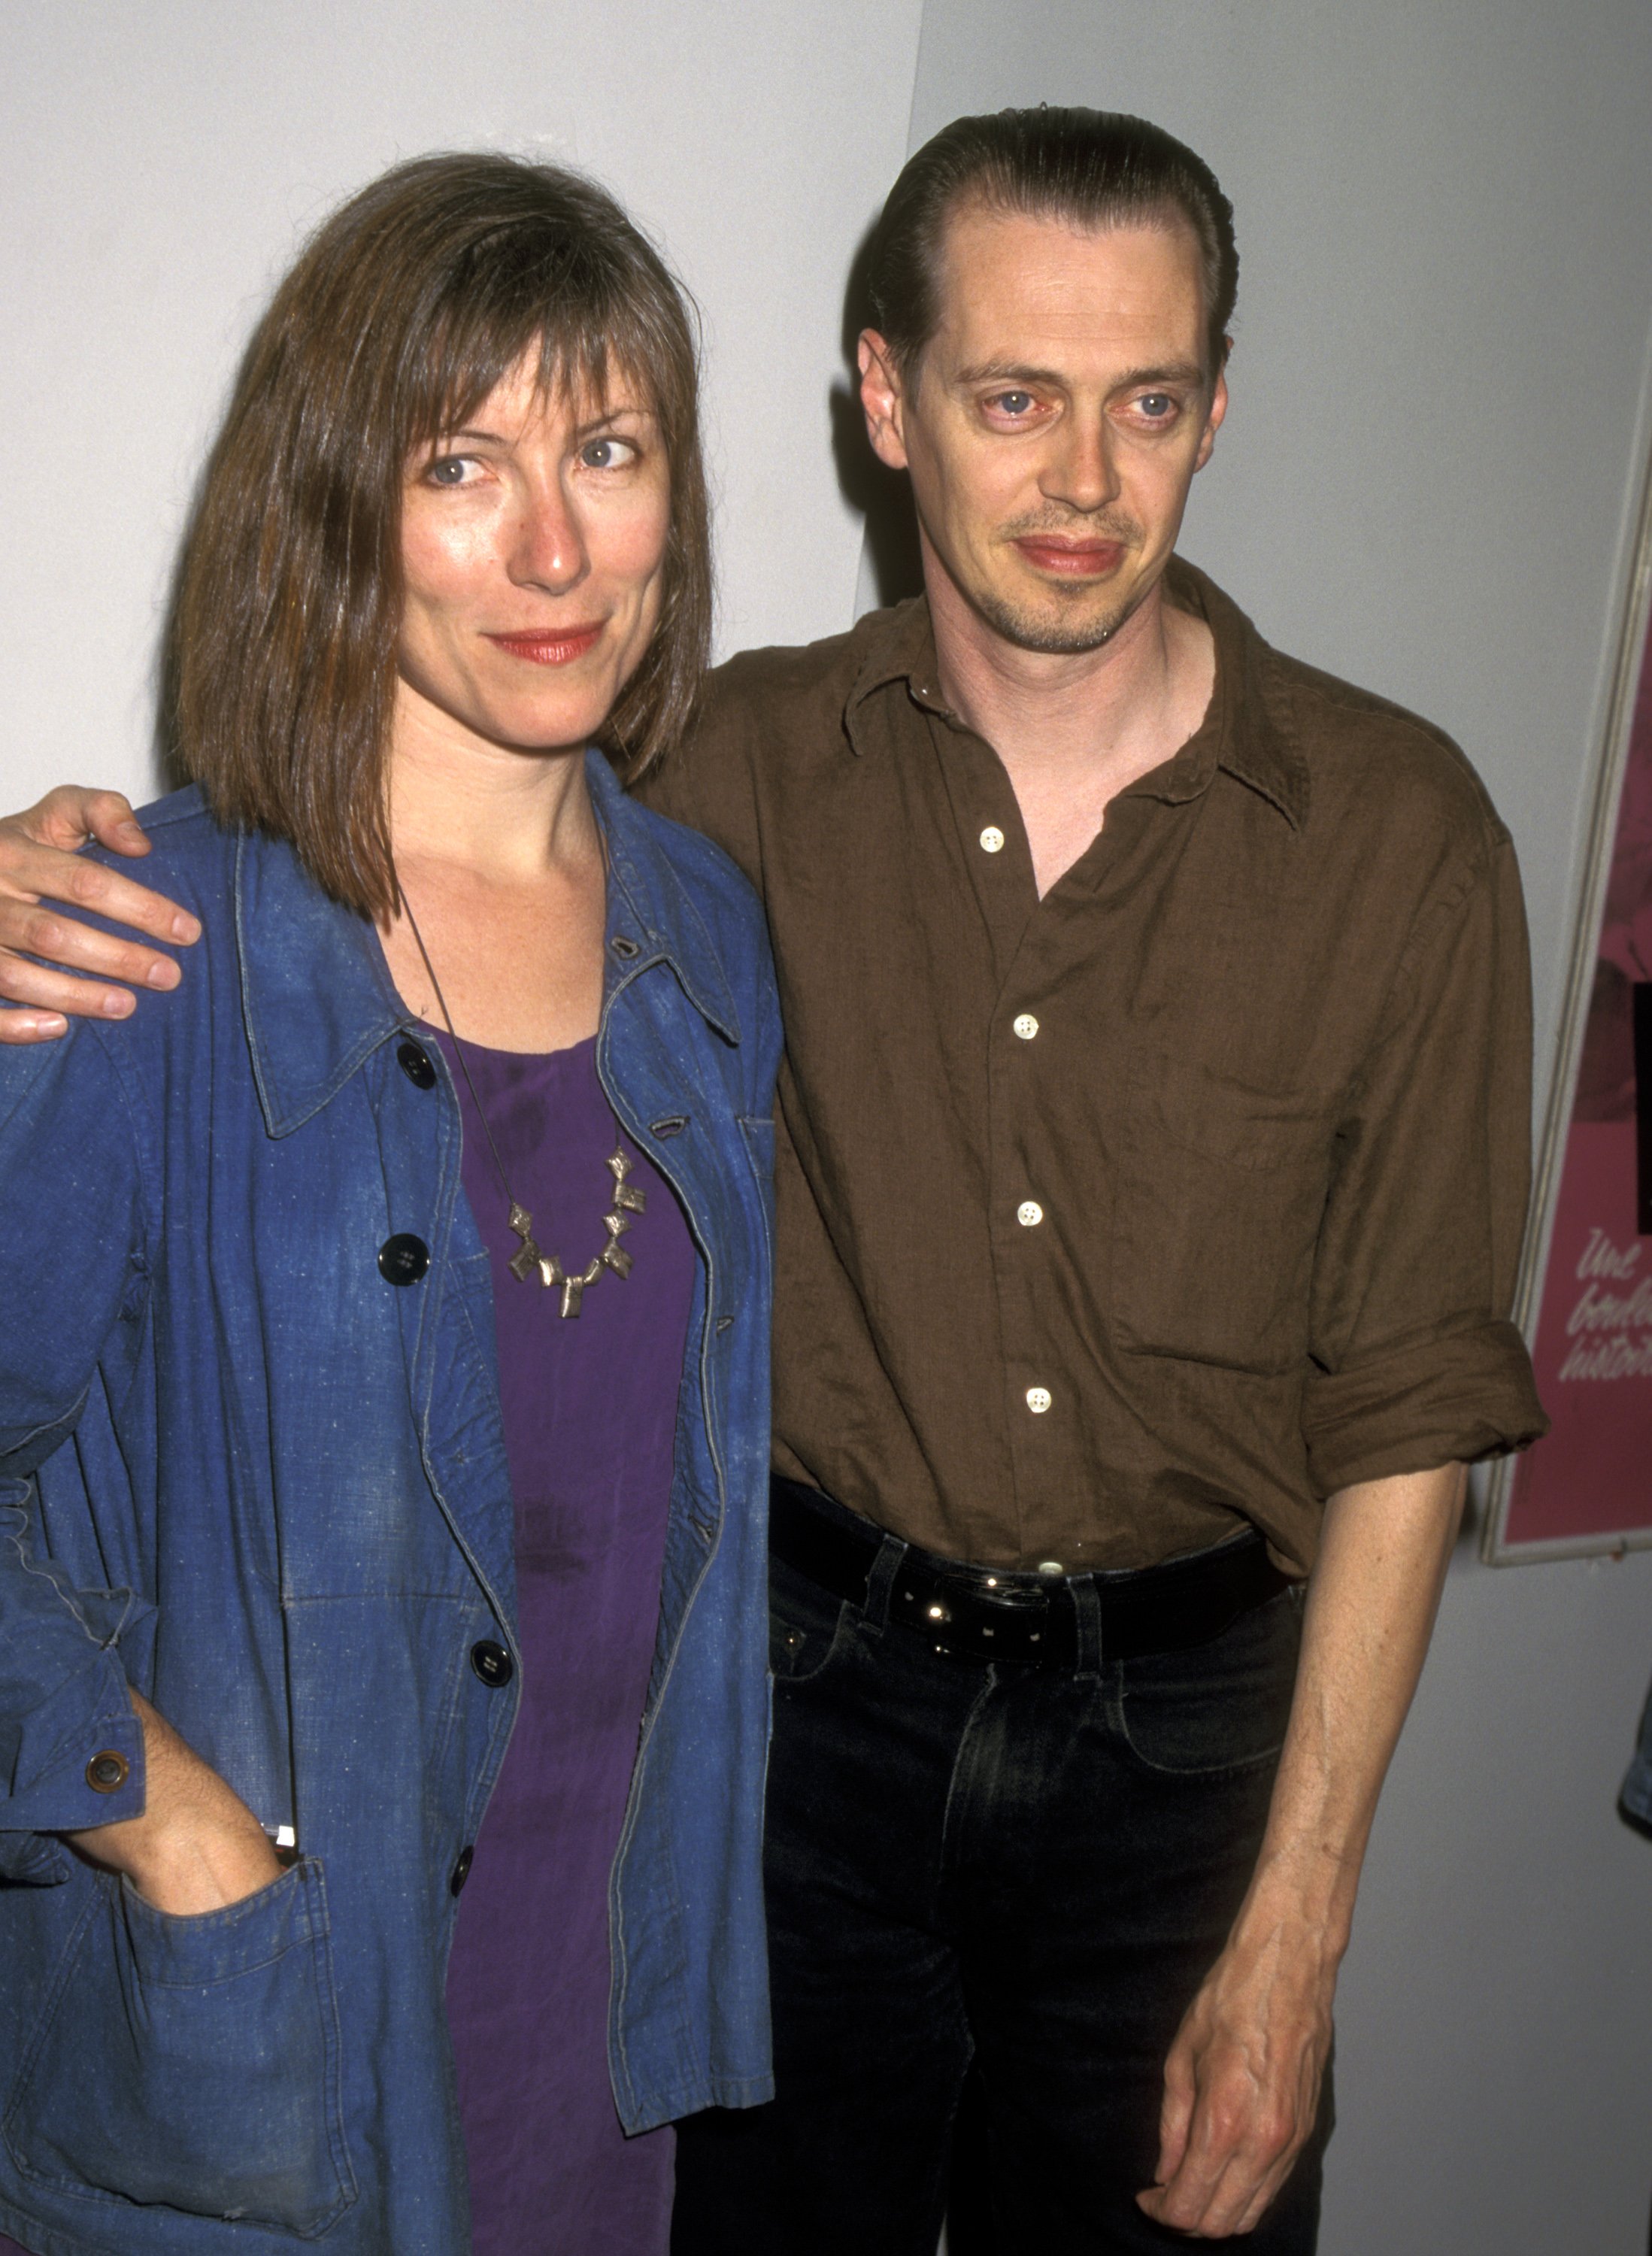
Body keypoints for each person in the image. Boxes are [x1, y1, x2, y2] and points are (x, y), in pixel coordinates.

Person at [0, 107, 1548, 2254]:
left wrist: (1297, 1935)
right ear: (888, 401)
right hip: (612, 1823)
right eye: (1015, 397)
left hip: (944, 1844)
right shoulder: (558, 836)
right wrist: (154, 1817)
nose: (1086, 482)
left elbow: (1409, 1398)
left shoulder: (742, 907)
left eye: (1150, 403)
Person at [0, 153, 780, 2256]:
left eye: (608, 451)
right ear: (340, 507)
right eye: (463, 464)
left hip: (601, 2030)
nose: (553, 544)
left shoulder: (706, 930)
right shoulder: (132, 947)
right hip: (259, 2066)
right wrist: (163, 1826)